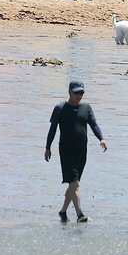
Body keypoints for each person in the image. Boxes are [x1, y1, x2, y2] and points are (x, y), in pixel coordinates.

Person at [45, 81, 107, 223]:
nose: (79, 95)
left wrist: (102, 139)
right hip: (66, 150)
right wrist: (48, 147)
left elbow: (94, 125)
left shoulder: (86, 108)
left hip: (81, 151)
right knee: (74, 183)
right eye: (76, 93)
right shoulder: (60, 108)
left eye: (81, 93)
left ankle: (63, 212)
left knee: (74, 183)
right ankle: (80, 215)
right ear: (69, 92)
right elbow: (52, 129)